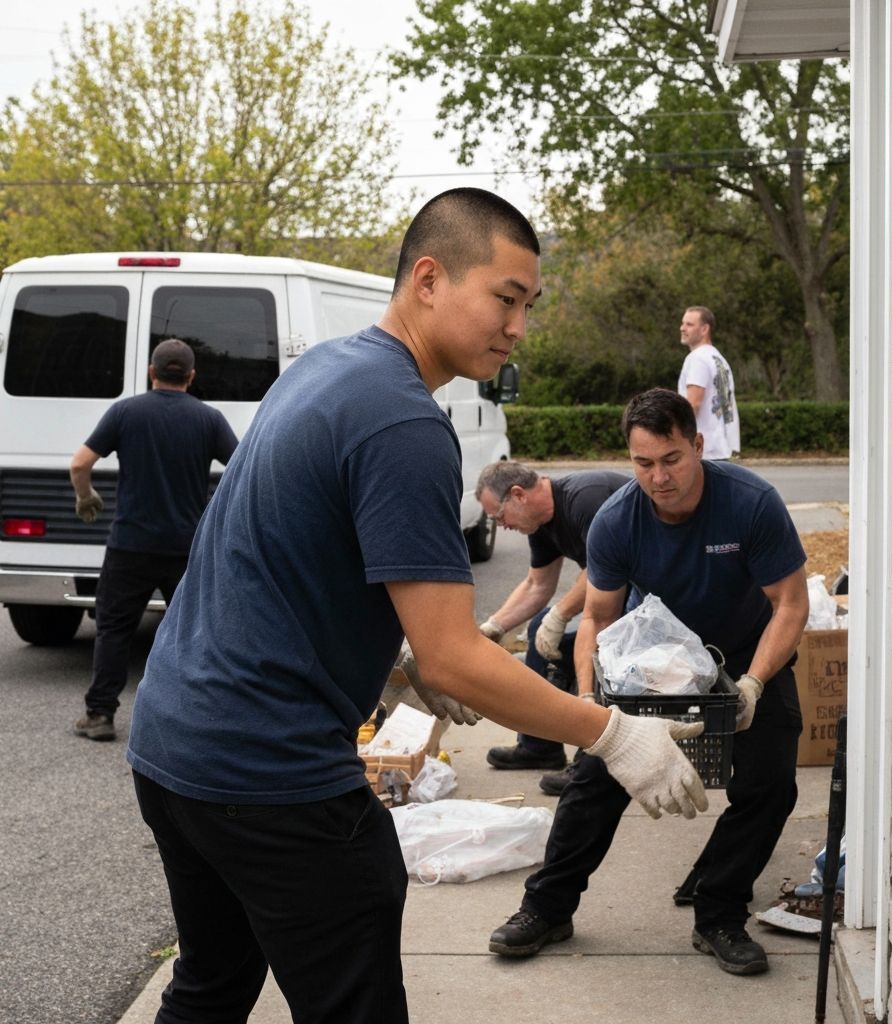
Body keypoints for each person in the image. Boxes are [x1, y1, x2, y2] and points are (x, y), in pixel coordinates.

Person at [125, 190, 709, 1024]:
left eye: (528, 306)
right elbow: (455, 656)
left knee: (212, 985)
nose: (518, 326)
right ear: (428, 278)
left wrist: (390, 665)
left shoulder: (325, 369)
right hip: (269, 774)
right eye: (505, 298)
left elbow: (264, 559)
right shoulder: (401, 420)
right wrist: (615, 735)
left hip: (173, 746)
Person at [489, 387, 808, 977]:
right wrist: (589, 706)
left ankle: (719, 913)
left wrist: (757, 683)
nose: (658, 478)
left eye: (671, 460)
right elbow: (600, 620)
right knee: (593, 779)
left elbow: (789, 604)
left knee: (769, 786)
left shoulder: (751, 503)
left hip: (745, 656)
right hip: (655, 666)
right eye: (642, 463)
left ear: (698, 445)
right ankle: (547, 908)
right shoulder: (617, 520)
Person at [70, 338, 237, 742]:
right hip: (184, 547)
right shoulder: (208, 419)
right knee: (193, 635)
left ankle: (100, 715)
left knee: (113, 629)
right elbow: (243, 468)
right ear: (192, 376)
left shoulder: (126, 412)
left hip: (130, 545)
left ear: (152, 372)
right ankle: (194, 720)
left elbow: (80, 463)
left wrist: (85, 495)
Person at [475, 461, 629, 792]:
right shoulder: (541, 523)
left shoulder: (586, 500)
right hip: (616, 601)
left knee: (596, 651)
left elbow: (603, 572)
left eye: (499, 516)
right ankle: (539, 746)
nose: (501, 526)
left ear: (518, 495)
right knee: (539, 633)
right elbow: (537, 585)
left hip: (650, 599)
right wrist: (493, 627)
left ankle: (590, 766)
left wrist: (558, 616)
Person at [677, 305, 740, 460]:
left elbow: (693, 405)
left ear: (705, 329)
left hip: (703, 450)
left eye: (689, 324)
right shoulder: (718, 359)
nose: (682, 328)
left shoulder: (697, 358)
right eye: (683, 323)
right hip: (722, 447)